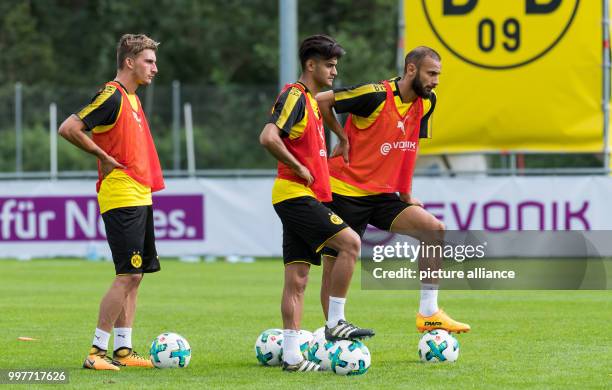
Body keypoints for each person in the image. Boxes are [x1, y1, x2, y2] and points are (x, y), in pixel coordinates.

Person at [316, 46, 470, 334]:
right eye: (431, 73)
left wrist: (406, 194)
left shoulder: (428, 102)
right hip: (344, 191)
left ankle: (429, 313)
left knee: (433, 229)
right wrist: (340, 137)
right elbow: (322, 100)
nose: (436, 80)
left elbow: (410, 148)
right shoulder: (373, 95)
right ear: (411, 69)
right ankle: (333, 327)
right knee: (334, 263)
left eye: (438, 74)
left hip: (384, 195)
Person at [259, 35, 375, 372]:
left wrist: (339, 136)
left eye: (336, 64)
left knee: (297, 278)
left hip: (299, 196)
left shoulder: (310, 101)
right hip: (295, 194)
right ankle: (335, 321)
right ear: (311, 65)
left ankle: (293, 356)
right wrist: (297, 166)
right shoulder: (295, 95)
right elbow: (268, 136)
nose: (334, 71)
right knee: (351, 243)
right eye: (329, 64)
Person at [58, 34, 165, 370]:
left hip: (139, 192)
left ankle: (122, 349)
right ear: (129, 61)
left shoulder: (132, 99)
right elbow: (69, 128)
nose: (155, 69)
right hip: (121, 193)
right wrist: (101, 153)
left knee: (137, 275)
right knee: (127, 275)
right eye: (148, 61)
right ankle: (95, 352)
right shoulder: (112, 95)